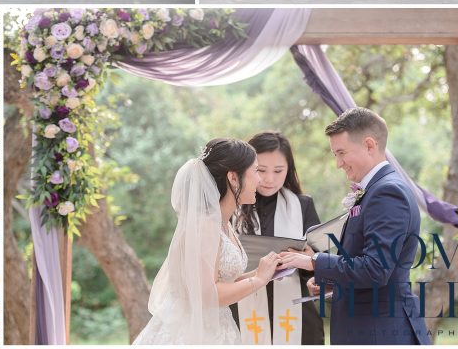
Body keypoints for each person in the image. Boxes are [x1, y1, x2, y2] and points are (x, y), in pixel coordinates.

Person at [278, 108, 430, 344]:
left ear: (369, 145)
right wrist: (330, 282)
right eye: (334, 154)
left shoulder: (387, 192)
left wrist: (313, 261)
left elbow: (376, 269)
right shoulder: (375, 189)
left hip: (379, 331)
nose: (338, 163)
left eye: (341, 152)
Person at [133, 138, 282, 345]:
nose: (260, 180)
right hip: (194, 333)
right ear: (233, 178)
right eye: (256, 171)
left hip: (216, 326)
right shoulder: (205, 226)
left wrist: (263, 272)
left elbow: (220, 283)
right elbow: (207, 295)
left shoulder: (223, 223)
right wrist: (258, 281)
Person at [233, 132, 324, 344]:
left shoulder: (302, 205)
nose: (269, 179)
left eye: (278, 170)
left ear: (289, 170)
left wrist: (309, 258)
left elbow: (318, 258)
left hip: (296, 311)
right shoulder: (231, 208)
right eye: (261, 170)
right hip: (242, 308)